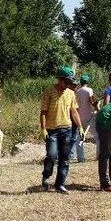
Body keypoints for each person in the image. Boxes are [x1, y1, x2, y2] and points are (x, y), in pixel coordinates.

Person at [40, 66, 83, 194]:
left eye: (70, 83)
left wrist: (80, 126)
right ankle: (46, 177)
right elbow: (43, 112)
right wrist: (43, 129)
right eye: (66, 82)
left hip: (67, 130)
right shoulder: (49, 91)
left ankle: (60, 184)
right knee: (51, 155)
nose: (68, 85)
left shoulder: (70, 93)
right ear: (60, 79)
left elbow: (74, 111)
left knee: (65, 158)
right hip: (52, 131)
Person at [69, 74, 98, 162]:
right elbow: (92, 102)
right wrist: (97, 105)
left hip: (79, 117)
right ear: (87, 82)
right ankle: (99, 155)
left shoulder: (77, 91)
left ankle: (80, 158)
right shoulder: (89, 90)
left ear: (81, 82)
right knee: (97, 136)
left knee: (80, 138)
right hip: (89, 116)